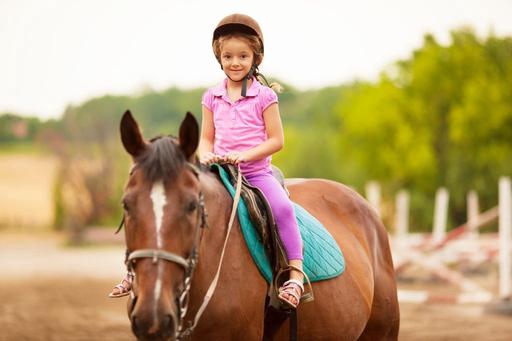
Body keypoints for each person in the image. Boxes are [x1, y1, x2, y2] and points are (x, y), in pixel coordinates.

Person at [199, 13, 305, 309]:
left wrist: (244, 155)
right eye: (228, 56)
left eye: (243, 56)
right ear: (219, 58)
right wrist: (205, 153)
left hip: (255, 174)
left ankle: (295, 274)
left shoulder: (264, 96)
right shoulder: (211, 97)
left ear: (255, 58)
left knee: (283, 208)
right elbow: (206, 137)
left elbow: (276, 140)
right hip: (219, 172)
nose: (235, 62)